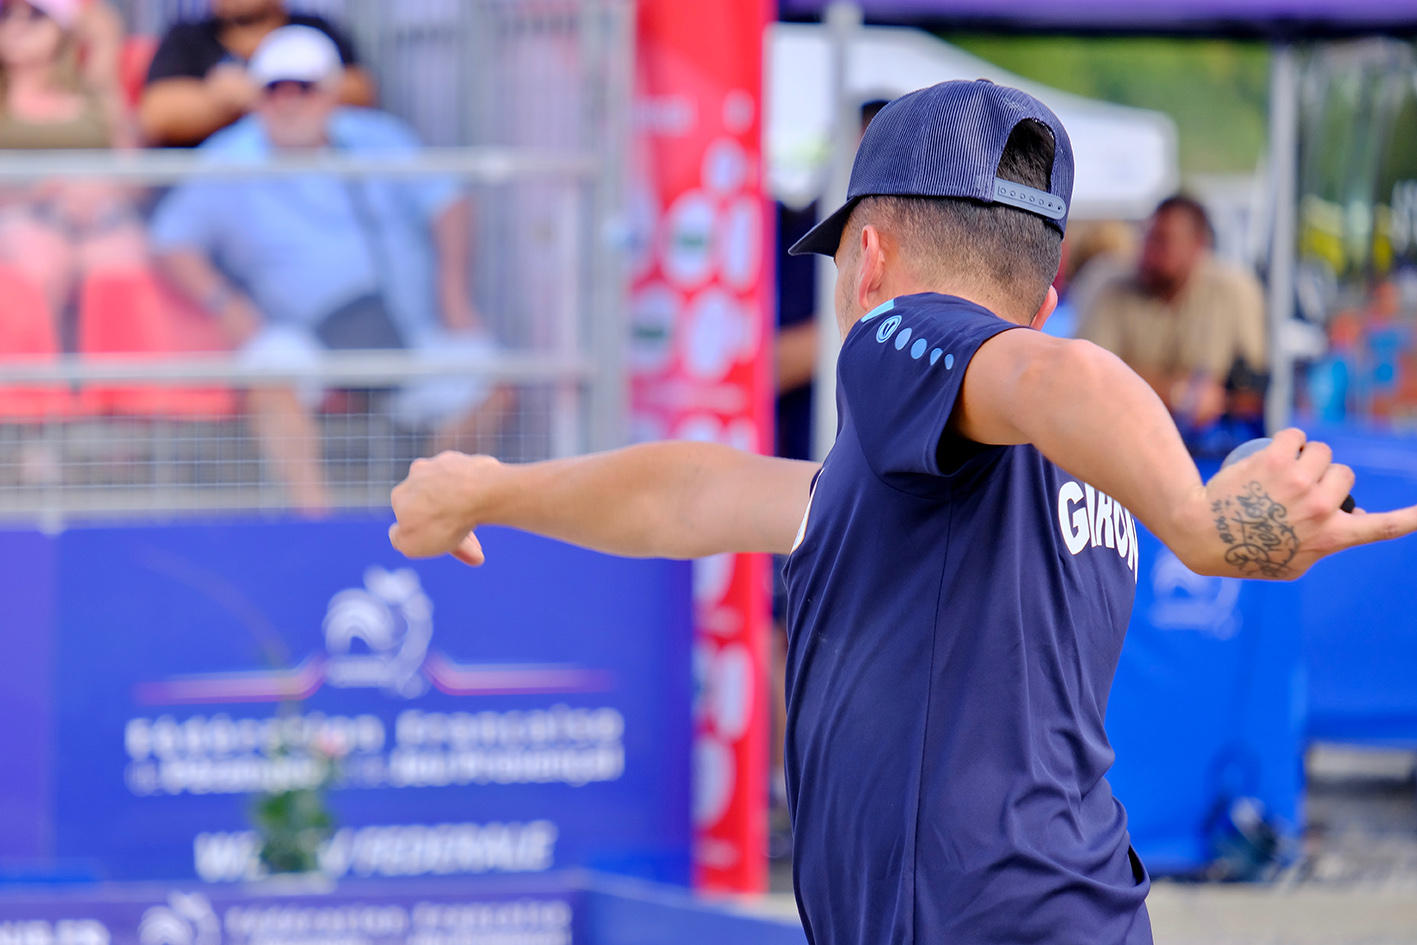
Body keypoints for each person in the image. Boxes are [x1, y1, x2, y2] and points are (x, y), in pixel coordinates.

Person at [387, 81, 1417, 945]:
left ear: (869, 256)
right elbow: (692, 492)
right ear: (1048, 288)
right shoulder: (958, 469)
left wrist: (1198, 524)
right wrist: (494, 489)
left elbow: (1059, 375)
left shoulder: (899, 338)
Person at [150, 25, 507, 512]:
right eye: (275, 89)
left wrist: (454, 293)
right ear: (257, 97)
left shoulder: (380, 138)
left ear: (333, 94)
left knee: (497, 381)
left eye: (305, 89)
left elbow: (448, 201)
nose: (289, 103)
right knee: (269, 372)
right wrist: (226, 304)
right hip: (304, 339)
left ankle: (426, 513)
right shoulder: (229, 157)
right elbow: (171, 239)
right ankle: (318, 521)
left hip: (407, 328)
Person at [1078, 195, 1268, 449]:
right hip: (1122, 438)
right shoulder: (1109, 283)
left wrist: (1223, 402)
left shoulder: (1234, 290)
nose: (1149, 252)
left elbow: (1255, 392)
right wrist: (1179, 394)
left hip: (1211, 446)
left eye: (1163, 241)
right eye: (1148, 238)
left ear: (1198, 245)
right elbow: (1089, 375)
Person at [0, 0, 145, 325]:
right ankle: (31, 373)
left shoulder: (94, 95)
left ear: (63, 30)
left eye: (35, 15)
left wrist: (105, 50)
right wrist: (39, 192)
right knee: (41, 261)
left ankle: (116, 376)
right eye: (5, 14)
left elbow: (137, 177)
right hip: (19, 213)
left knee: (120, 270)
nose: (15, 25)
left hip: (102, 216)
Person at [139, 0, 375, 147]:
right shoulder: (187, 36)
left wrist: (256, 91)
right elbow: (158, 115)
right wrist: (295, 93)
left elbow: (359, 91)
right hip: (211, 187)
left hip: (305, 183)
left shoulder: (312, 28)